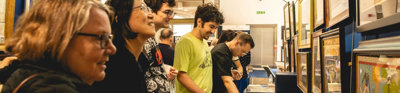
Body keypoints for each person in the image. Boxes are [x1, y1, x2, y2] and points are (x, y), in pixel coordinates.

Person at [0, 0, 116, 92]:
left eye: (109, 38)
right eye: (101, 38)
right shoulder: (54, 89)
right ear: (61, 38)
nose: (112, 49)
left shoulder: (29, 74)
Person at [91, 0, 155, 92]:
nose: (151, 15)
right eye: (142, 8)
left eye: (148, 9)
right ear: (119, 17)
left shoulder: (139, 61)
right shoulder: (115, 64)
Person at [173, 3, 224, 93]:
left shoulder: (204, 42)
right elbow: (181, 75)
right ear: (199, 22)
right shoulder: (185, 42)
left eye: (215, 28)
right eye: (211, 26)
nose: (213, 31)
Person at [143, 0, 178, 92]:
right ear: (151, 12)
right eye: (167, 12)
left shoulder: (152, 39)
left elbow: (150, 73)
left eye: (172, 13)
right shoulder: (143, 40)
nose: (170, 16)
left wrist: (165, 76)